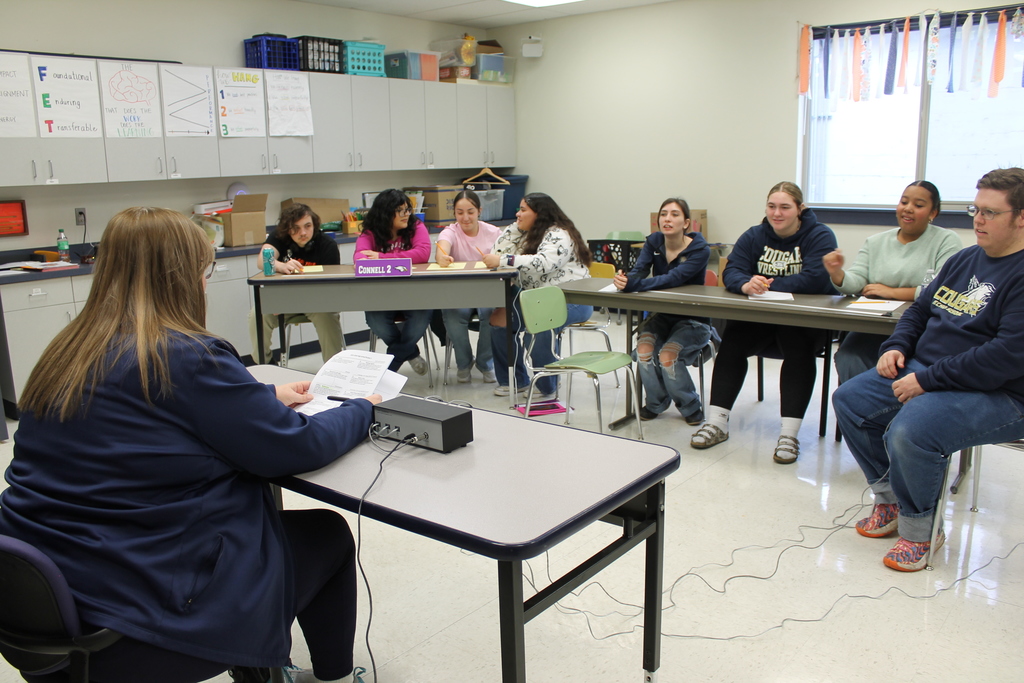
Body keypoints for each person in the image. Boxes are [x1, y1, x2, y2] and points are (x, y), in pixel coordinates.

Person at [0, 207, 381, 683]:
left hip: (45, 603)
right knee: (327, 535)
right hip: (134, 624)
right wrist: (363, 408)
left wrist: (261, 395)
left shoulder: (68, 351)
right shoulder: (187, 354)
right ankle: (333, 676)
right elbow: (297, 447)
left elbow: (140, 406)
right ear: (180, 278)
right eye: (203, 272)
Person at [832, 168, 1024, 572]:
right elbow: (920, 310)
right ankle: (892, 501)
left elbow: (1004, 356)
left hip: (999, 391)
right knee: (850, 400)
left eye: (991, 212)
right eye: (976, 209)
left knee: (913, 429)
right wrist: (897, 346)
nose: (978, 220)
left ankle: (922, 530)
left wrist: (927, 380)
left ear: (1021, 217)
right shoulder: (966, 258)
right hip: (927, 369)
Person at [690, 181, 837, 464]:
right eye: (772, 206)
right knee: (731, 342)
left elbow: (817, 278)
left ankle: (789, 435)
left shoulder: (819, 235)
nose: (777, 213)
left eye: (785, 207)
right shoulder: (755, 235)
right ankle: (717, 423)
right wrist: (746, 284)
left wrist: (768, 285)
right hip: (761, 319)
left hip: (804, 323)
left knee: (798, 347)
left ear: (800, 209)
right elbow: (732, 270)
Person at [823, 181, 961, 383]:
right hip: (874, 323)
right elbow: (857, 281)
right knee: (849, 356)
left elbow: (942, 291)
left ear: (933, 213)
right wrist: (837, 273)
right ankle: (856, 411)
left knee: (906, 365)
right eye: (904, 202)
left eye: (919, 205)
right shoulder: (876, 241)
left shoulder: (946, 241)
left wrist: (891, 292)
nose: (908, 208)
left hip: (919, 327)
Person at [482, 192, 593, 400]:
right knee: (499, 320)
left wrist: (503, 259)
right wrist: (516, 227)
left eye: (523, 210)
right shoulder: (527, 232)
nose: (518, 214)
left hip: (573, 300)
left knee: (541, 323)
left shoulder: (559, 233)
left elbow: (543, 264)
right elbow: (496, 252)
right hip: (539, 300)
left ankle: (547, 385)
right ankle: (515, 380)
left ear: (539, 214)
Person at [614, 197, 713, 425]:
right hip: (662, 316)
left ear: (686, 223)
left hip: (694, 320)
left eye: (675, 214)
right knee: (644, 350)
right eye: (664, 214)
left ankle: (689, 405)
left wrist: (634, 285)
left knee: (668, 355)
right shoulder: (654, 242)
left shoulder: (700, 250)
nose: (668, 219)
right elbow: (639, 271)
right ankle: (656, 403)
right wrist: (625, 279)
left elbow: (672, 279)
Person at [249, 203, 344, 364]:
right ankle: (265, 364)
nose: (303, 232)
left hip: (317, 302)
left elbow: (330, 288)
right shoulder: (278, 238)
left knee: (327, 315)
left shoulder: (327, 245)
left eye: (308, 226)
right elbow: (261, 260)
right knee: (256, 314)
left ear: (314, 225)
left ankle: (333, 367)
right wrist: (281, 266)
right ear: (287, 229)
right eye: (296, 228)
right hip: (284, 301)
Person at [354, 188, 432, 374]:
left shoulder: (416, 226)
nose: (406, 215)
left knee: (422, 316)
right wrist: (400, 259)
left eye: (408, 210)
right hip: (382, 294)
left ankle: (389, 368)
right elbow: (360, 257)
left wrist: (382, 257)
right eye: (401, 211)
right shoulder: (371, 232)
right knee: (375, 320)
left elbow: (423, 253)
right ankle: (410, 353)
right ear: (386, 213)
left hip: (414, 292)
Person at [435, 189, 502, 383]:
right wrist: (443, 258)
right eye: (460, 212)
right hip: (460, 292)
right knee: (453, 314)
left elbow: (504, 258)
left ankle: (485, 362)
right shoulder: (450, 231)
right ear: (454, 213)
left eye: (470, 212)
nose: (465, 217)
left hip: (488, 290)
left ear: (479, 211)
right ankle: (464, 363)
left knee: (493, 312)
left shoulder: (494, 232)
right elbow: (442, 250)